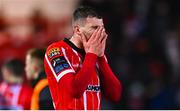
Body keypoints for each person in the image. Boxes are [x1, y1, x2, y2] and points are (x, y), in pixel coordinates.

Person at [44, 6, 122, 110]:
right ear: (77, 30)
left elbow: (115, 95)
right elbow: (75, 90)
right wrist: (92, 55)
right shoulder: (56, 51)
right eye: (94, 28)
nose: (101, 33)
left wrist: (101, 57)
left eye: (102, 28)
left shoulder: (96, 55)